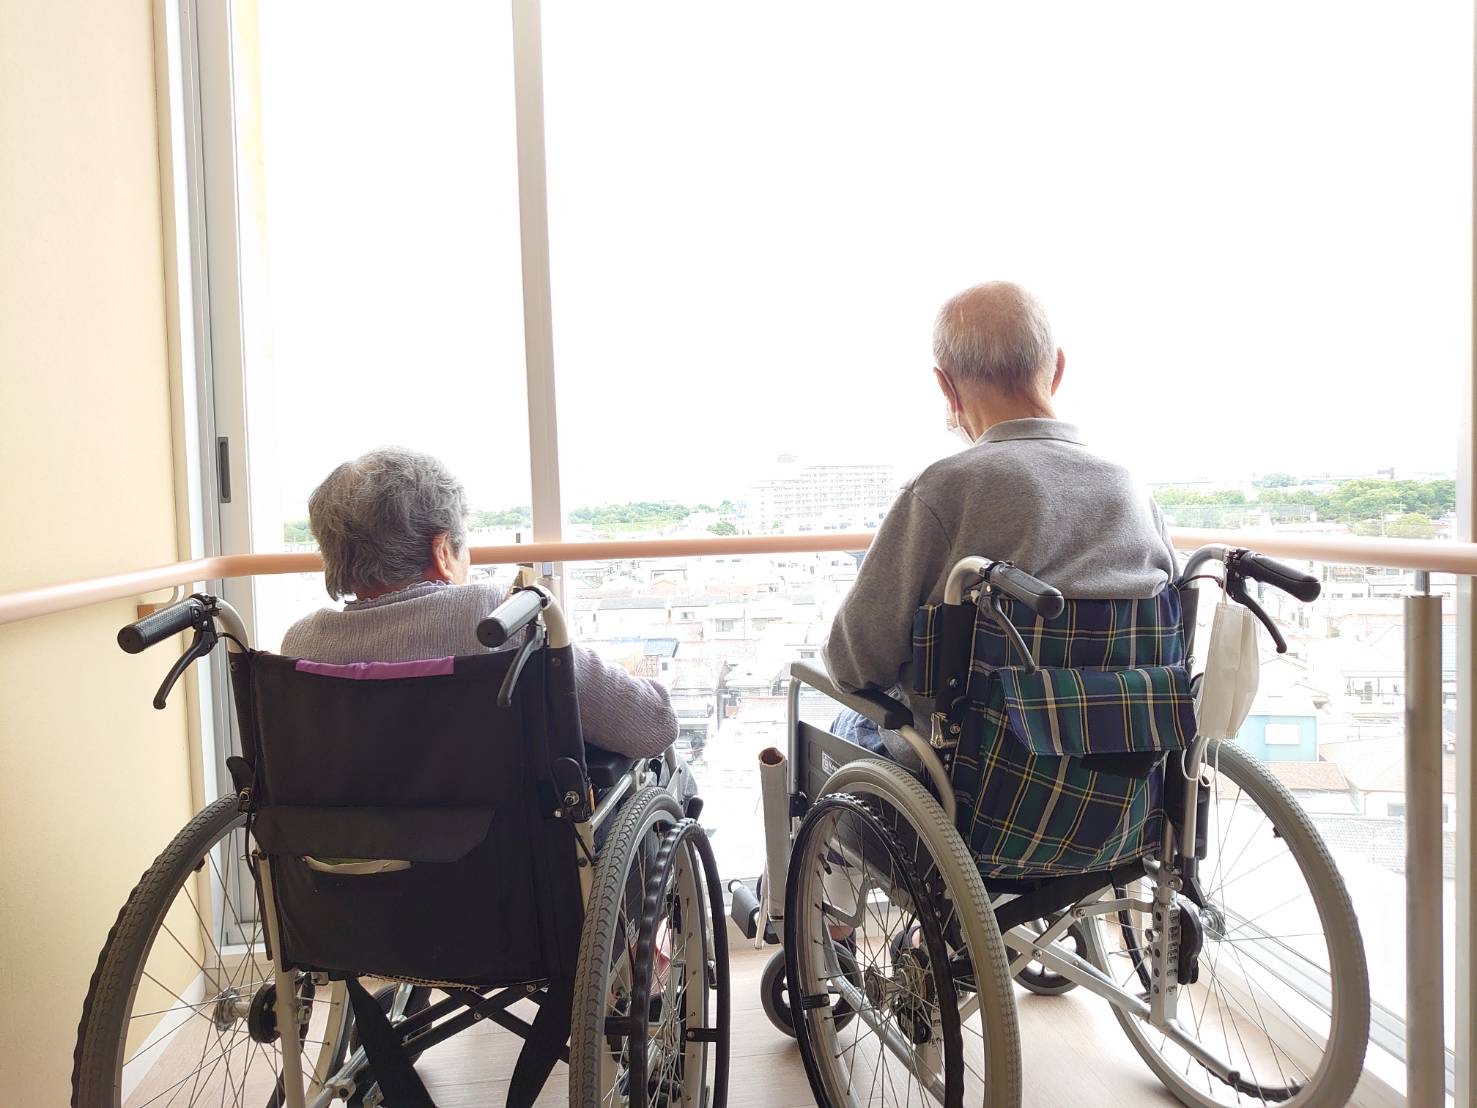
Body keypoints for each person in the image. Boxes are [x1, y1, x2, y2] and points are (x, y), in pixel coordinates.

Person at [822, 282, 1178, 765]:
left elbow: (855, 663)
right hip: (1120, 777)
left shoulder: (943, 488)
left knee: (842, 722)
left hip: (970, 775)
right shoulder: (1130, 488)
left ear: (946, 387)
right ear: (1057, 368)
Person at [282, 448, 694, 795]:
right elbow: (651, 726)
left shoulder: (301, 647)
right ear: (442, 552)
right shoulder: (496, 618)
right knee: (674, 777)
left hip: (342, 860)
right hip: (499, 860)